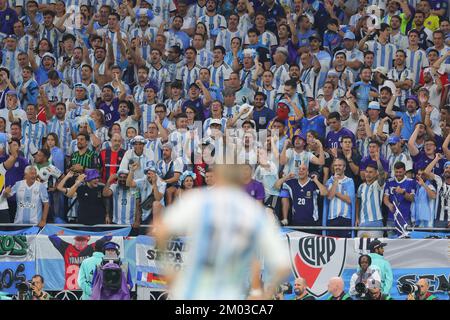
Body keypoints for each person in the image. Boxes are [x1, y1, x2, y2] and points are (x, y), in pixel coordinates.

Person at [152, 164, 290, 300]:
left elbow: (160, 229)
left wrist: (169, 273)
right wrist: (266, 294)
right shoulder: (253, 212)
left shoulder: (199, 200)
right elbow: (283, 265)